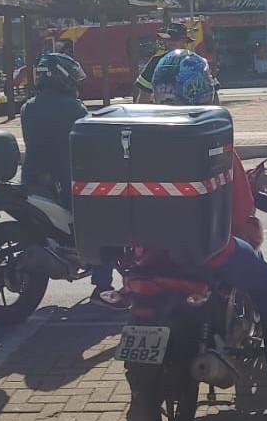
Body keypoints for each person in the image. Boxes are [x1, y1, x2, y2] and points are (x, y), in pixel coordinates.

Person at [145, 49, 267, 409]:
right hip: (212, 252)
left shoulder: (140, 141)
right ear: (200, 91)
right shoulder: (212, 144)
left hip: (151, 253)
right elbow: (240, 213)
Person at [19, 53, 117, 305]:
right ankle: (103, 286)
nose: (76, 83)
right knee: (103, 223)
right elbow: (87, 143)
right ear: (62, 78)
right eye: (73, 78)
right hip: (64, 182)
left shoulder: (28, 108)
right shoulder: (74, 108)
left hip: (32, 181)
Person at [133, 23, 192, 103]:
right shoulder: (156, 61)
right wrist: (139, 115)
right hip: (164, 113)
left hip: (191, 112)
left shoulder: (196, 62)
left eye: (176, 39)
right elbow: (144, 93)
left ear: (185, 41)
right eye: (169, 39)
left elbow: (213, 91)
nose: (172, 42)